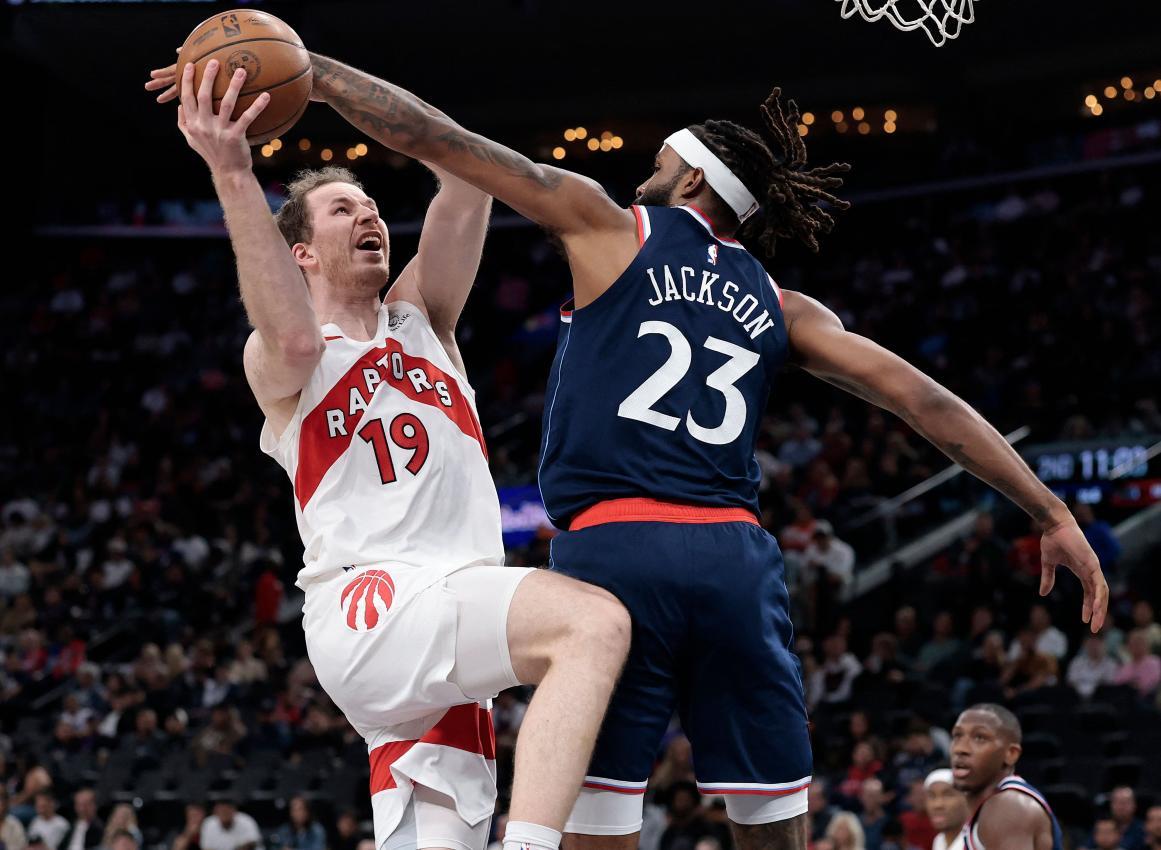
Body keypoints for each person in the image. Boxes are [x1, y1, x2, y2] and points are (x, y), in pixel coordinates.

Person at [152, 42, 1110, 850]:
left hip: (592, 556)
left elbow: (451, 157)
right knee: (761, 810)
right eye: (344, 209)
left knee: (592, 809)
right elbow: (920, 397)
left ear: (688, 178)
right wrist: (1048, 509)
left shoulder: (559, 254)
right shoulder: (781, 304)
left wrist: (315, 72)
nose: (637, 175)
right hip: (707, 561)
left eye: (654, 163)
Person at [146, 58, 629, 850]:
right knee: (592, 625)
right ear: (302, 253)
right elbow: (293, 339)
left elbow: (465, 176)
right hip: (376, 606)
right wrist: (232, 169)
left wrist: (333, 83)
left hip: (448, 631)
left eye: (371, 206)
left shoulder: (422, 320)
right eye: (342, 210)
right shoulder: (282, 358)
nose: (367, 215)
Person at [950, 704, 1063, 850]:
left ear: (1011, 753)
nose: (960, 748)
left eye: (979, 738)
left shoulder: (1008, 807)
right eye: (957, 736)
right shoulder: (992, 807)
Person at [922, 770, 967, 850]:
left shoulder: (979, 841)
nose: (937, 805)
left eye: (948, 795)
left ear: (966, 799)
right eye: (931, 796)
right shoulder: (939, 840)